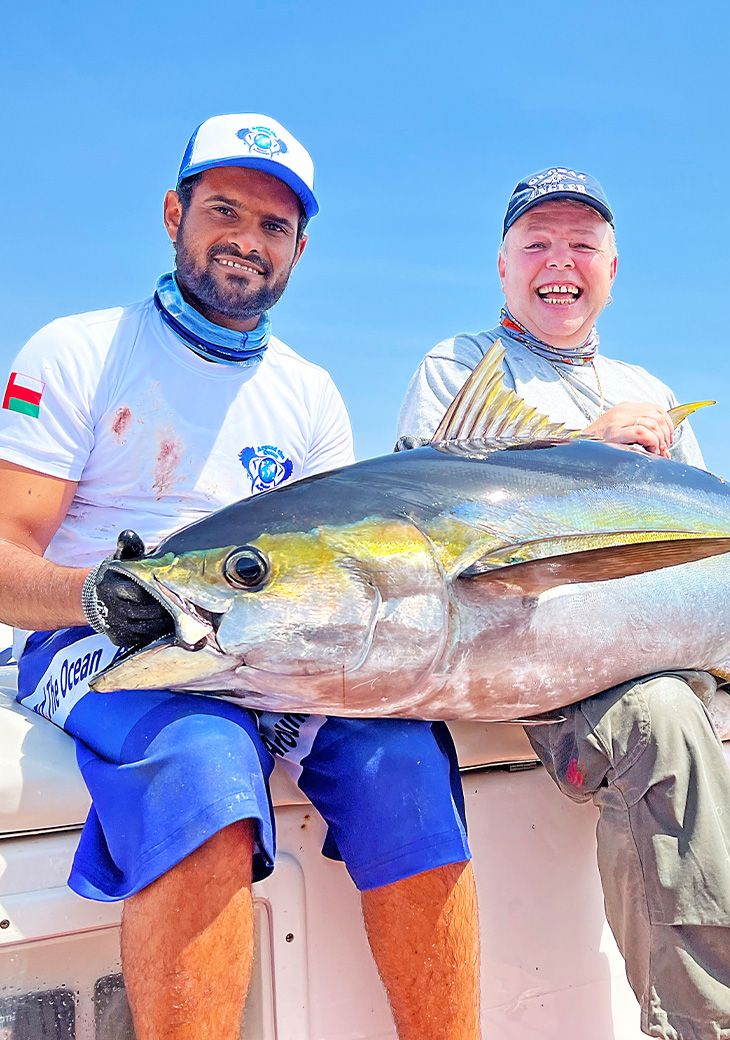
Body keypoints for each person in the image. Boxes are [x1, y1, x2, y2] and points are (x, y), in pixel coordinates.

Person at [0, 114, 480, 1040]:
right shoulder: (80, 351)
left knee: (405, 758)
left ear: (300, 248)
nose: (245, 242)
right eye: (224, 210)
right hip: (98, 639)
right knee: (203, 761)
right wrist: (98, 596)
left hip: (267, 645)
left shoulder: (311, 394)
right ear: (175, 212)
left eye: (273, 226)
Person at [397, 166, 730, 1040]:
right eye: (538, 244)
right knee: (661, 719)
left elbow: (701, 543)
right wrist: (586, 444)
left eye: (582, 245)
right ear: (504, 266)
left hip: (669, 637)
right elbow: (432, 508)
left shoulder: (648, 385)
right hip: (547, 658)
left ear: (614, 269)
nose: (561, 261)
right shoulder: (459, 365)